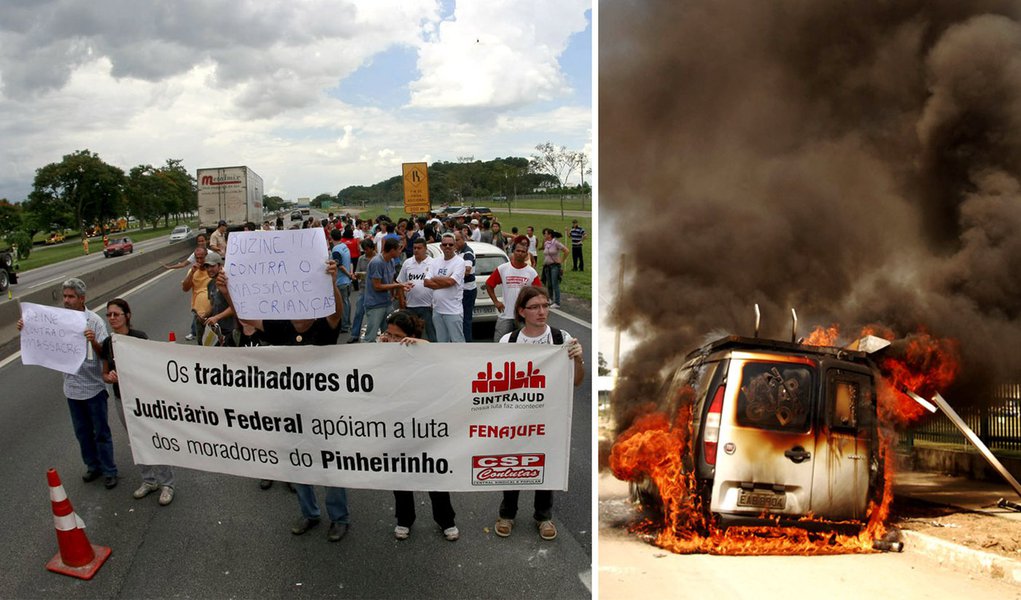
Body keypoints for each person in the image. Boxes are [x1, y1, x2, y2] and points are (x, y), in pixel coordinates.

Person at [215, 260, 351, 542]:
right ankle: (310, 513)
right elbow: (246, 318)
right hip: (291, 409)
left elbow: (338, 311)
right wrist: (227, 291)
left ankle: (339, 518)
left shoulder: (325, 326)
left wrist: (332, 282)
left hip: (325, 410)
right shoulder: (281, 326)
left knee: (330, 465)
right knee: (299, 462)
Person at [495, 286, 584, 540]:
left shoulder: (561, 338)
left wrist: (578, 359)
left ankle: (543, 516)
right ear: (521, 311)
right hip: (516, 418)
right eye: (534, 307)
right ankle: (507, 513)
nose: (542, 311)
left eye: (545, 306)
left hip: (549, 417)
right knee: (511, 465)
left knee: (546, 465)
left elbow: (577, 381)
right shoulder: (509, 341)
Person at [17, 278, 117, 488]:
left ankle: (109, 470)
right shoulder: (57, 320)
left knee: (101, 432)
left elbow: (106, 354)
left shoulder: (95, 321)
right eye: (65, 296)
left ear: (82, 299)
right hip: (72, 389)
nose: (67, 300)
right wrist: (26, 328)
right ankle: (93, 466)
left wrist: (93, 341)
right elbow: (42, 337)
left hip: (93, 388)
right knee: (82, 433)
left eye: (71, 297)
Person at [379, 311, 459, 541]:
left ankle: (446, 520)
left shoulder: (424, 352)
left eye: (398, 337)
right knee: (401, 474)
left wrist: (421, 345)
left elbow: (446, 360)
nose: (393, 341)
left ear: (410, 336)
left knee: (434, 472)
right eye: (389, 335)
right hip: (396, 424)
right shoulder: (383, 352)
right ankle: (404, 519)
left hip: (425, 424)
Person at [100, 298, 175, 505]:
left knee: (153, 437)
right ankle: (148, 480)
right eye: (109, 315)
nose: (112, 318)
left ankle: (167, 483)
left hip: (143, 398)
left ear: (127, 316)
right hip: (121, 398)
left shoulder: (138, 338)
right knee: (136, 439)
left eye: (116, 314)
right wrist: (110, 377)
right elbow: (104, 374)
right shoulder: (108, 342)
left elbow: (152, 366)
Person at [485, 235, 541, 341]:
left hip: (523, 316)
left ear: (526, 254)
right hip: (506, 314)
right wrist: (496, 301)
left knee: (524, 343)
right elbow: (489, 284)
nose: (520, 253)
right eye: (518, 251)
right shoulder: (503, 269)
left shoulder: (531, 272)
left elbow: (538, 294)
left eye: (523, 252)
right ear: (513, 251)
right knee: (500, 342)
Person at [362, 237, 411, 342]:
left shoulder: (391, 261)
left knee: (390, 334)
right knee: (370, 336)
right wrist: (398, 286)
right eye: (399, 249)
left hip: (387, 303)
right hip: (375, 305)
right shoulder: (377, 262)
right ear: (392, 250)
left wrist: (401, 286)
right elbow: (377, 286)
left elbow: (390, 282)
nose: (400, 251)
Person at [424, 233, 465, 343]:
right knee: (441, 343)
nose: (447, 247)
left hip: (453, 311)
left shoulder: (459, 262)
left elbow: (451, 282)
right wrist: (444, 280)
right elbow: (426, 283)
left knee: (458, 342)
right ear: (441, 246)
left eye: (450, 245)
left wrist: (435, 278)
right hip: (437, 310)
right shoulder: (435, 261)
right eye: (445, 244)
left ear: (455, 246)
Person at [396, 238, 436, 342]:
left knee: (430, 334)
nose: (416, 250)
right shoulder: (407, 263)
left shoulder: (433, 263)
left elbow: (437, 284)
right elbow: (400, 283)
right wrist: (401, 302)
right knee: (411, 335)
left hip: (427, 306)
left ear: (425, 249)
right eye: (414, 248)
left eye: (419, 248)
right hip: (410, 306)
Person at [181, 246, 213, 341]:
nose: (199, 260)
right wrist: (191, 274)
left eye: (201, 257)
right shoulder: (192, 271)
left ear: (206, 256)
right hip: (199, 314)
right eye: (197, 258)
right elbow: (185, 288)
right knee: (202, 341)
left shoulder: (212, 269)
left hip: (214, 312)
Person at [330, 229, 355, 338]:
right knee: (347, 303)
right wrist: (350, 274)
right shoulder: (345, 246)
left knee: (342, 304)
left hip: (341, 281)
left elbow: (339, 266)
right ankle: (347, 324)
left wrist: (349, 275)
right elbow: (349, 262)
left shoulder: (335, 250)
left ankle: (344, 326)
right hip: (347, 280)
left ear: (331, 238)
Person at [455, 226, 477, 342]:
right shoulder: (457, 252)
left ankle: (467, 342)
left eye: (457, 240)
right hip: (460, 290)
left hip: (467, 290)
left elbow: (467, 271)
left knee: (466, 319)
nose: (455, 242)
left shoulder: (467, 252)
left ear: (464, 239)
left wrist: (452, 278)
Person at [541, 229, 569, 309]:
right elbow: (545, 252)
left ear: (550, 235)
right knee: (549, 283)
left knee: (555, 284)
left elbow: (566, 251)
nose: (544, 236)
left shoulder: (556, 243)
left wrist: (561, 260)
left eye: (545, 234)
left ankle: (557, 302)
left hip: (554, 266)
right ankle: (550, 299)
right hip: (547, 266)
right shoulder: (546, 243)